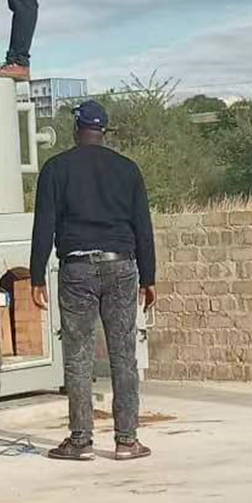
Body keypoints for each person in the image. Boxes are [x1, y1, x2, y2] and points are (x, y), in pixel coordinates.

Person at [30, 99, 157, 462]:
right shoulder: (128, 169)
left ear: (76, 130)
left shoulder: (56, 169)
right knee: (124, 355)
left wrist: (36, 274)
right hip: (121, 267)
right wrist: (149, 277)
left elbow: (44, 227)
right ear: (104, 131)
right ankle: (127, 441)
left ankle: (81, 441)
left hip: (76, 270)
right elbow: (142, 228)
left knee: (78, 356)